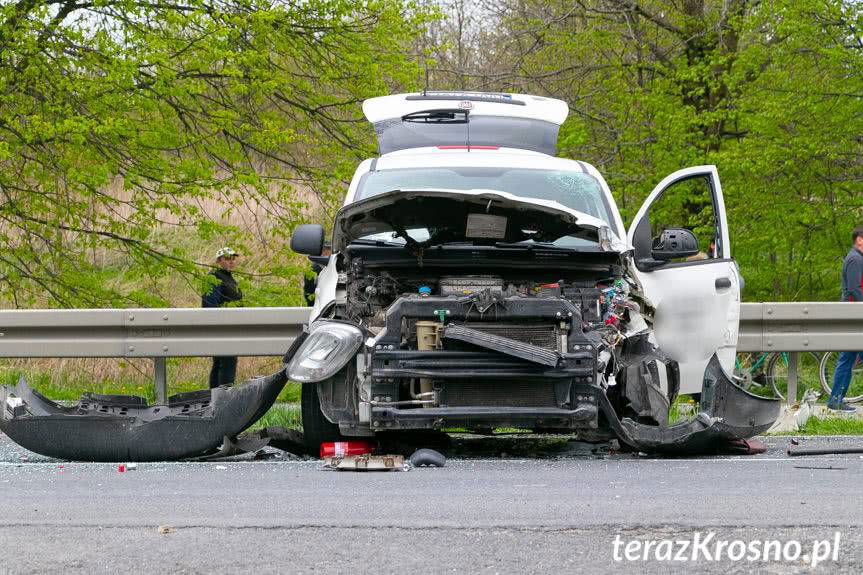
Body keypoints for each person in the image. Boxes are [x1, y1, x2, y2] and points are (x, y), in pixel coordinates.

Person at [827, 227, 863, 412]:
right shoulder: (855, 259)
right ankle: (835, 399)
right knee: (847, 359)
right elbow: (855, 289)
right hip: (854, 316)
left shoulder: (856, 258)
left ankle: (836, 399)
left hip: (855, 315)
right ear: (859, 240)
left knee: (847, 359)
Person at [202, 247, 243, 388]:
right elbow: (209, 304)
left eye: (233, 259)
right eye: (227, 259)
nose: (231, 262)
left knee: (221, 361)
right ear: (219, 261)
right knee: (227, 361)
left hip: (230, 326)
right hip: (222, 327)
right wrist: (218, 326)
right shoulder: (214, 277)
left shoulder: (228, 277)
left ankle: (215, 397)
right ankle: (223, 396)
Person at [303, 242, 331, 306]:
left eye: (329, 249)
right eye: (326, 249)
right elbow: (309, 293)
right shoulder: (313, 270)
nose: (327, 253)